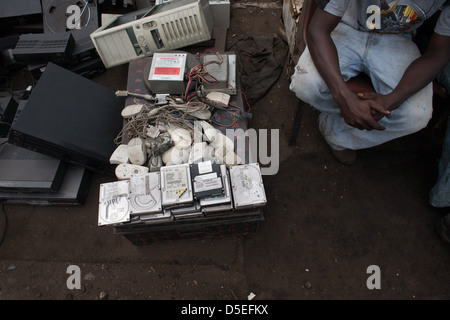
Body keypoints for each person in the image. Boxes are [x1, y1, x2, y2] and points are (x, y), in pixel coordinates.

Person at [290, 0, 450, 165]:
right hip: (345, 26)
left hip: (399, 40)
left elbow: (440, 52)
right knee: (306, 85)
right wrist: (344, 97)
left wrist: (391, 101)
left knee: (415, 116)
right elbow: (318, 29)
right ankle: (353, 112)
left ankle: (335, 133)